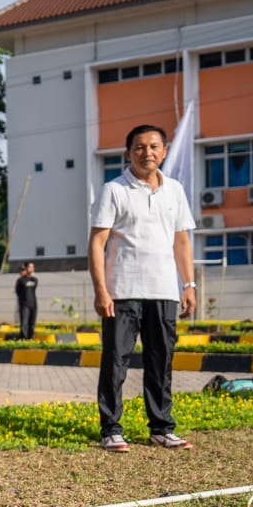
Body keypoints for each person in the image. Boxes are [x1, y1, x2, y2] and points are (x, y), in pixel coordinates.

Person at [89, 124, 196, 452]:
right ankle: (111, 429)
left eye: (153, 146)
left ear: (163, 152)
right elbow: (97, 242)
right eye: (139, 147)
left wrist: (188, 284)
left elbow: (181, 241)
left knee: (161, 361)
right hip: (122, 292)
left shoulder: (175, 190)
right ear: (128, 152)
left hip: (164, 291)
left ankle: (161, 427)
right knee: (116, 362)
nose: (146, 152)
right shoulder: (114, 189)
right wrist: (101, 289)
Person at [15, 262, 39, 339]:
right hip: (24, 305)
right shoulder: (20, 280)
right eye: (30, 267)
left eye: (33, 267)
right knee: (24, 323)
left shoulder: (35, 279)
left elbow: (34, 287)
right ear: (26, 268)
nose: (32, 268)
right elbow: (18, 292)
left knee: (32, 323)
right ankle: (23, 339)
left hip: (33, 304)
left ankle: (30, 338)